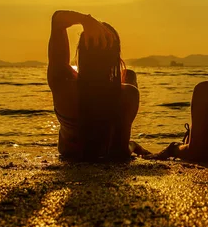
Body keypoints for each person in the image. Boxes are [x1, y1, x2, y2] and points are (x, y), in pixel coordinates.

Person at [47, 10, 143, 161]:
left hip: (70, 154)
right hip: (105, 154)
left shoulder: (62, 82)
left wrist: (86, 20)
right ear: (115, 56)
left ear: (81, 51)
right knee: (129, 75)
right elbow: (120, 152)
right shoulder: (128, 95)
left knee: (128, 75)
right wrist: (133, 145)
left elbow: (57, 20)